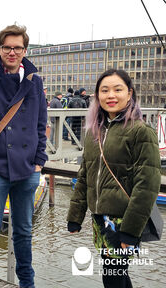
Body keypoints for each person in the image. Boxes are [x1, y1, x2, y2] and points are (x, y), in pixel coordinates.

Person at [67, 69, 160, 288]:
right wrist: (75, 216)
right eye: (105, 90)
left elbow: (146, 186)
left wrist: (130, 230)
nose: (111, 95)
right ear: (97, 96)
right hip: (100, 218)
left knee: (113, 277)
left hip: (123, 219)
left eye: (118, 89)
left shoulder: (140, 131)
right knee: (114, 274)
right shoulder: (94, 132)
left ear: (129, 94)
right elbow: (84, 176)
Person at [0, 24, 48, 288]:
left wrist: (39, 162)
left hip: (27, 169)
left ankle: (27, 284)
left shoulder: (34, 81)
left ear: (25, 50)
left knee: (24, 233)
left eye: (17, 47)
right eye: (7, 47)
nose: (12, 52)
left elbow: (41, 123)